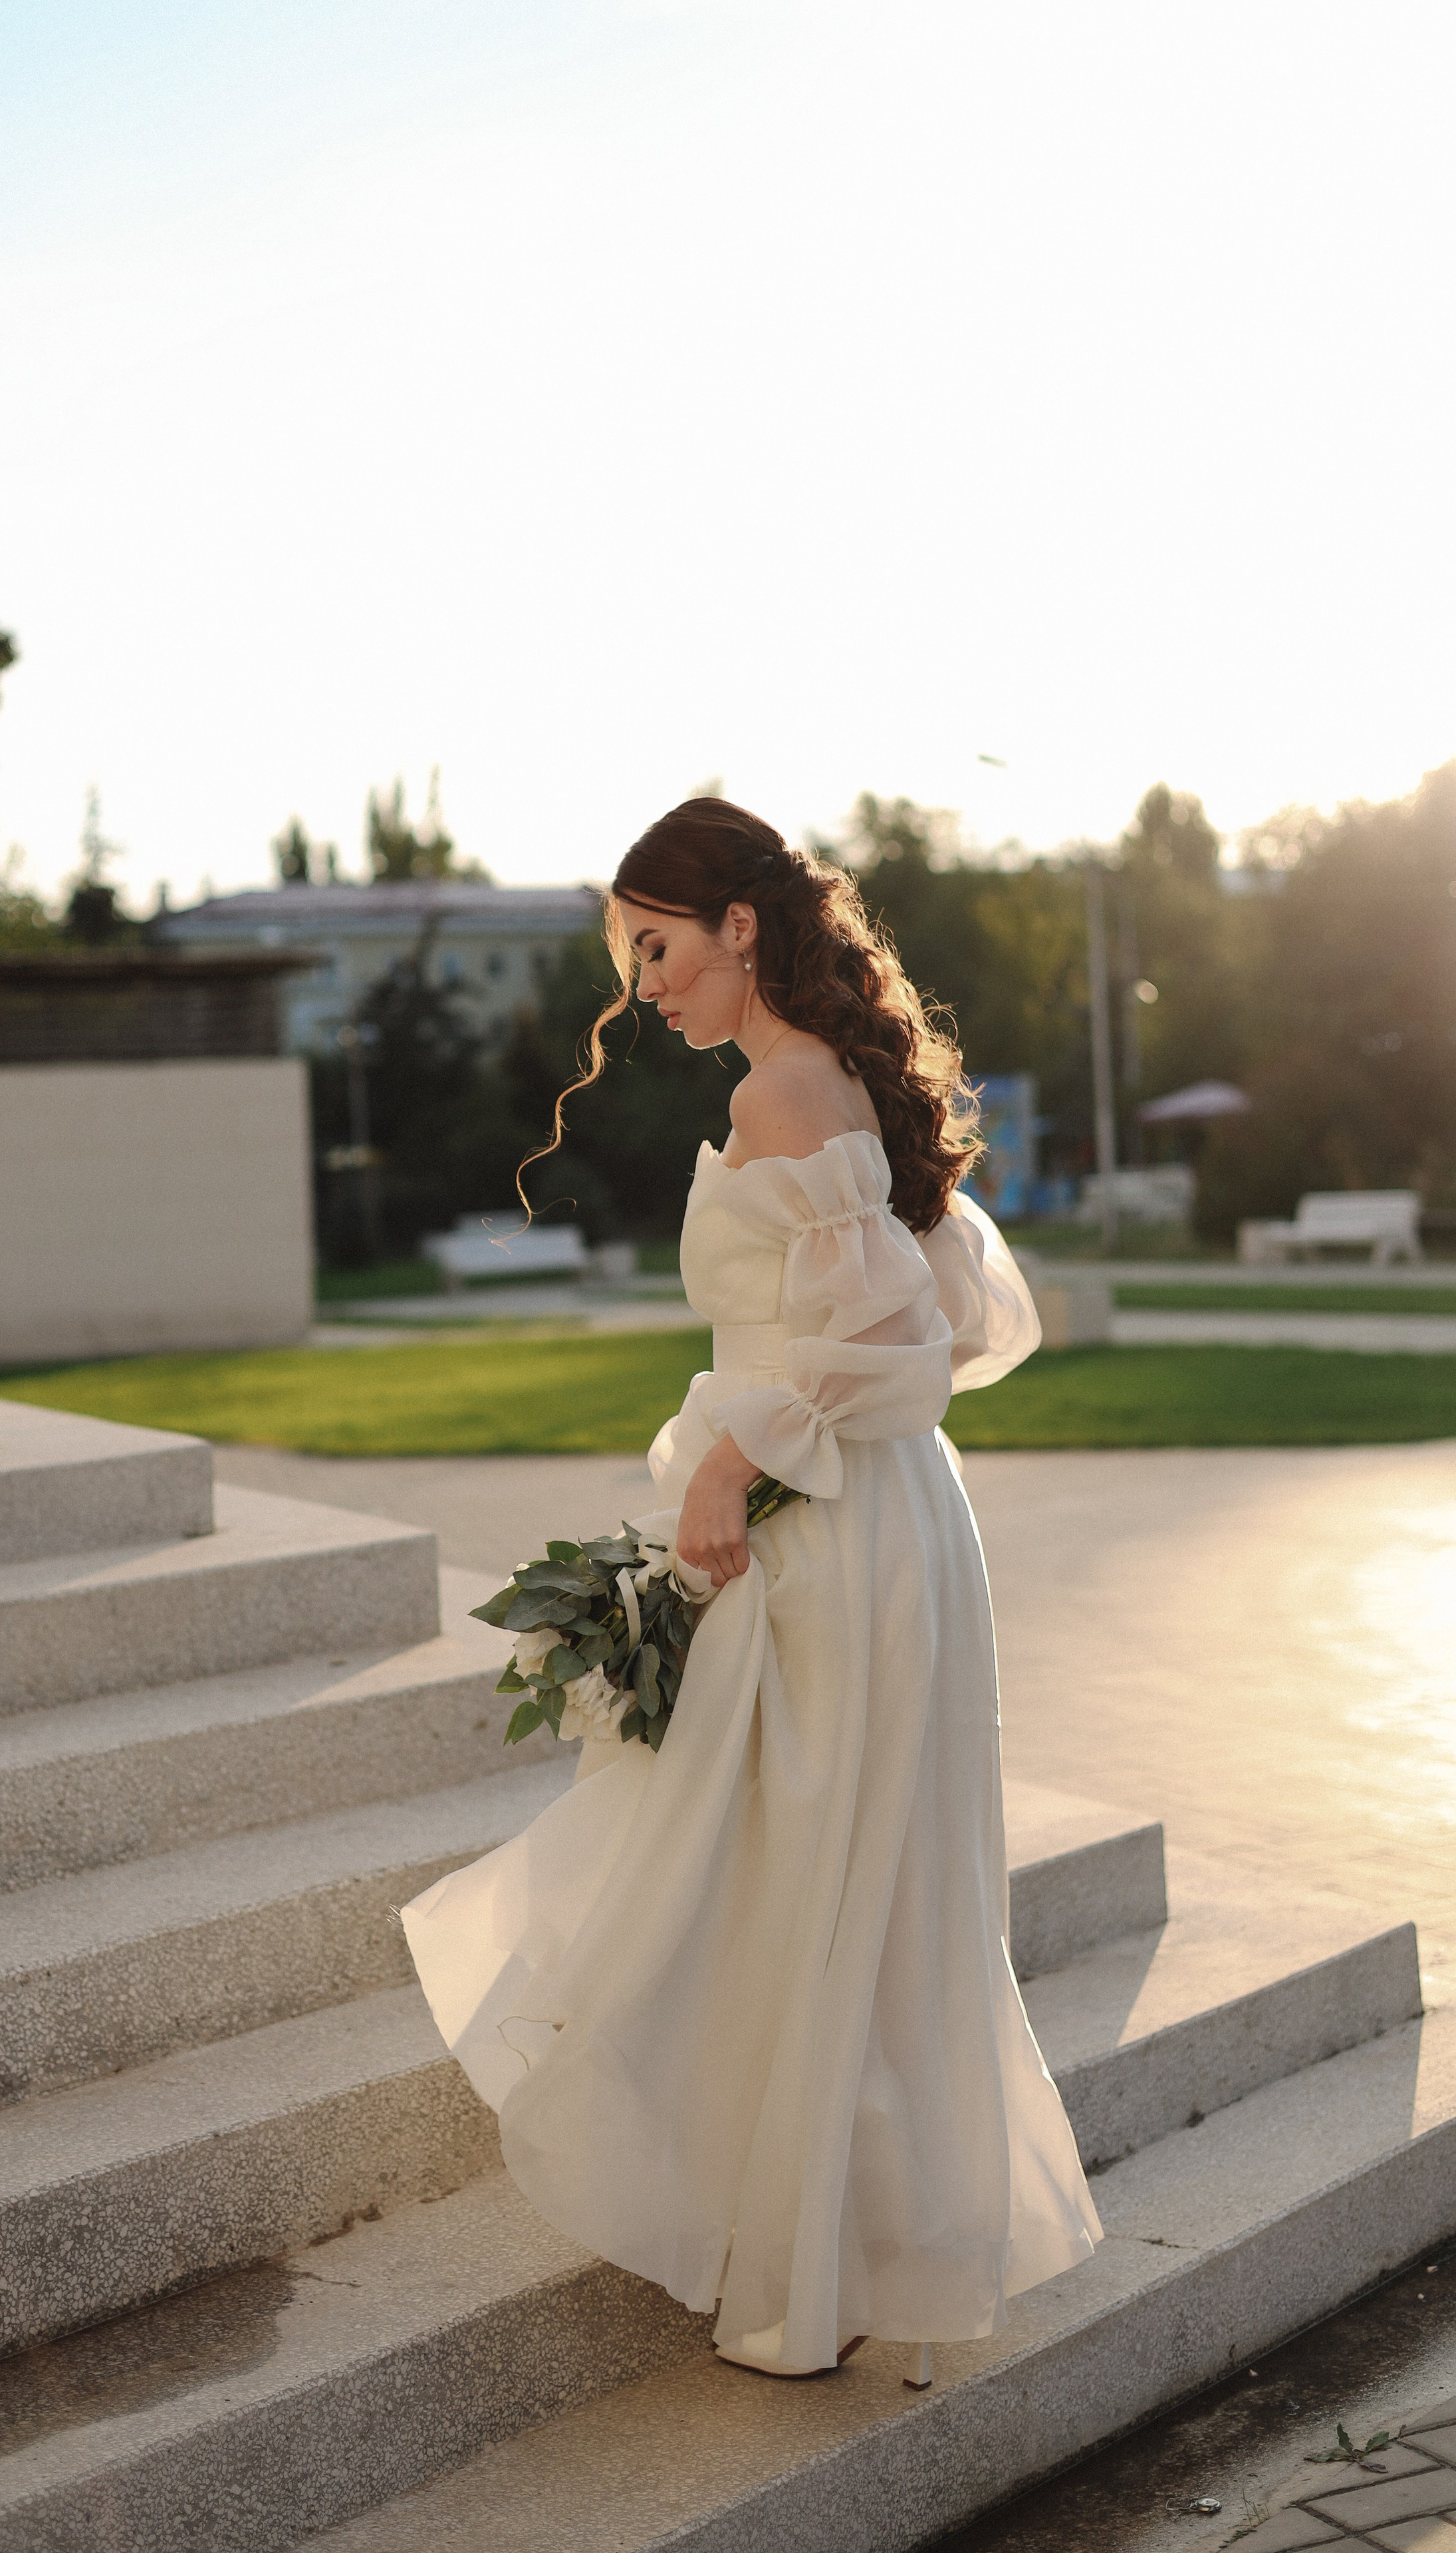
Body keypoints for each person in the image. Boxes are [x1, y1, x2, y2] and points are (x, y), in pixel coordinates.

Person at [402, 796, 1100, 2382]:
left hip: (832, 1524)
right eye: (624, 956)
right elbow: (938, 1314)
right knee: (828, 1865)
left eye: (656, 945)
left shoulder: (790, 1091)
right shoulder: (830, 1080)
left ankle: (801, 2276)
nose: (641, 984)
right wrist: (751, 1443)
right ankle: (828, 2252)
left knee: (805, 1865)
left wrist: (729, 1467)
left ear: (738, 927)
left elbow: (888, 1348)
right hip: (870, 1516)